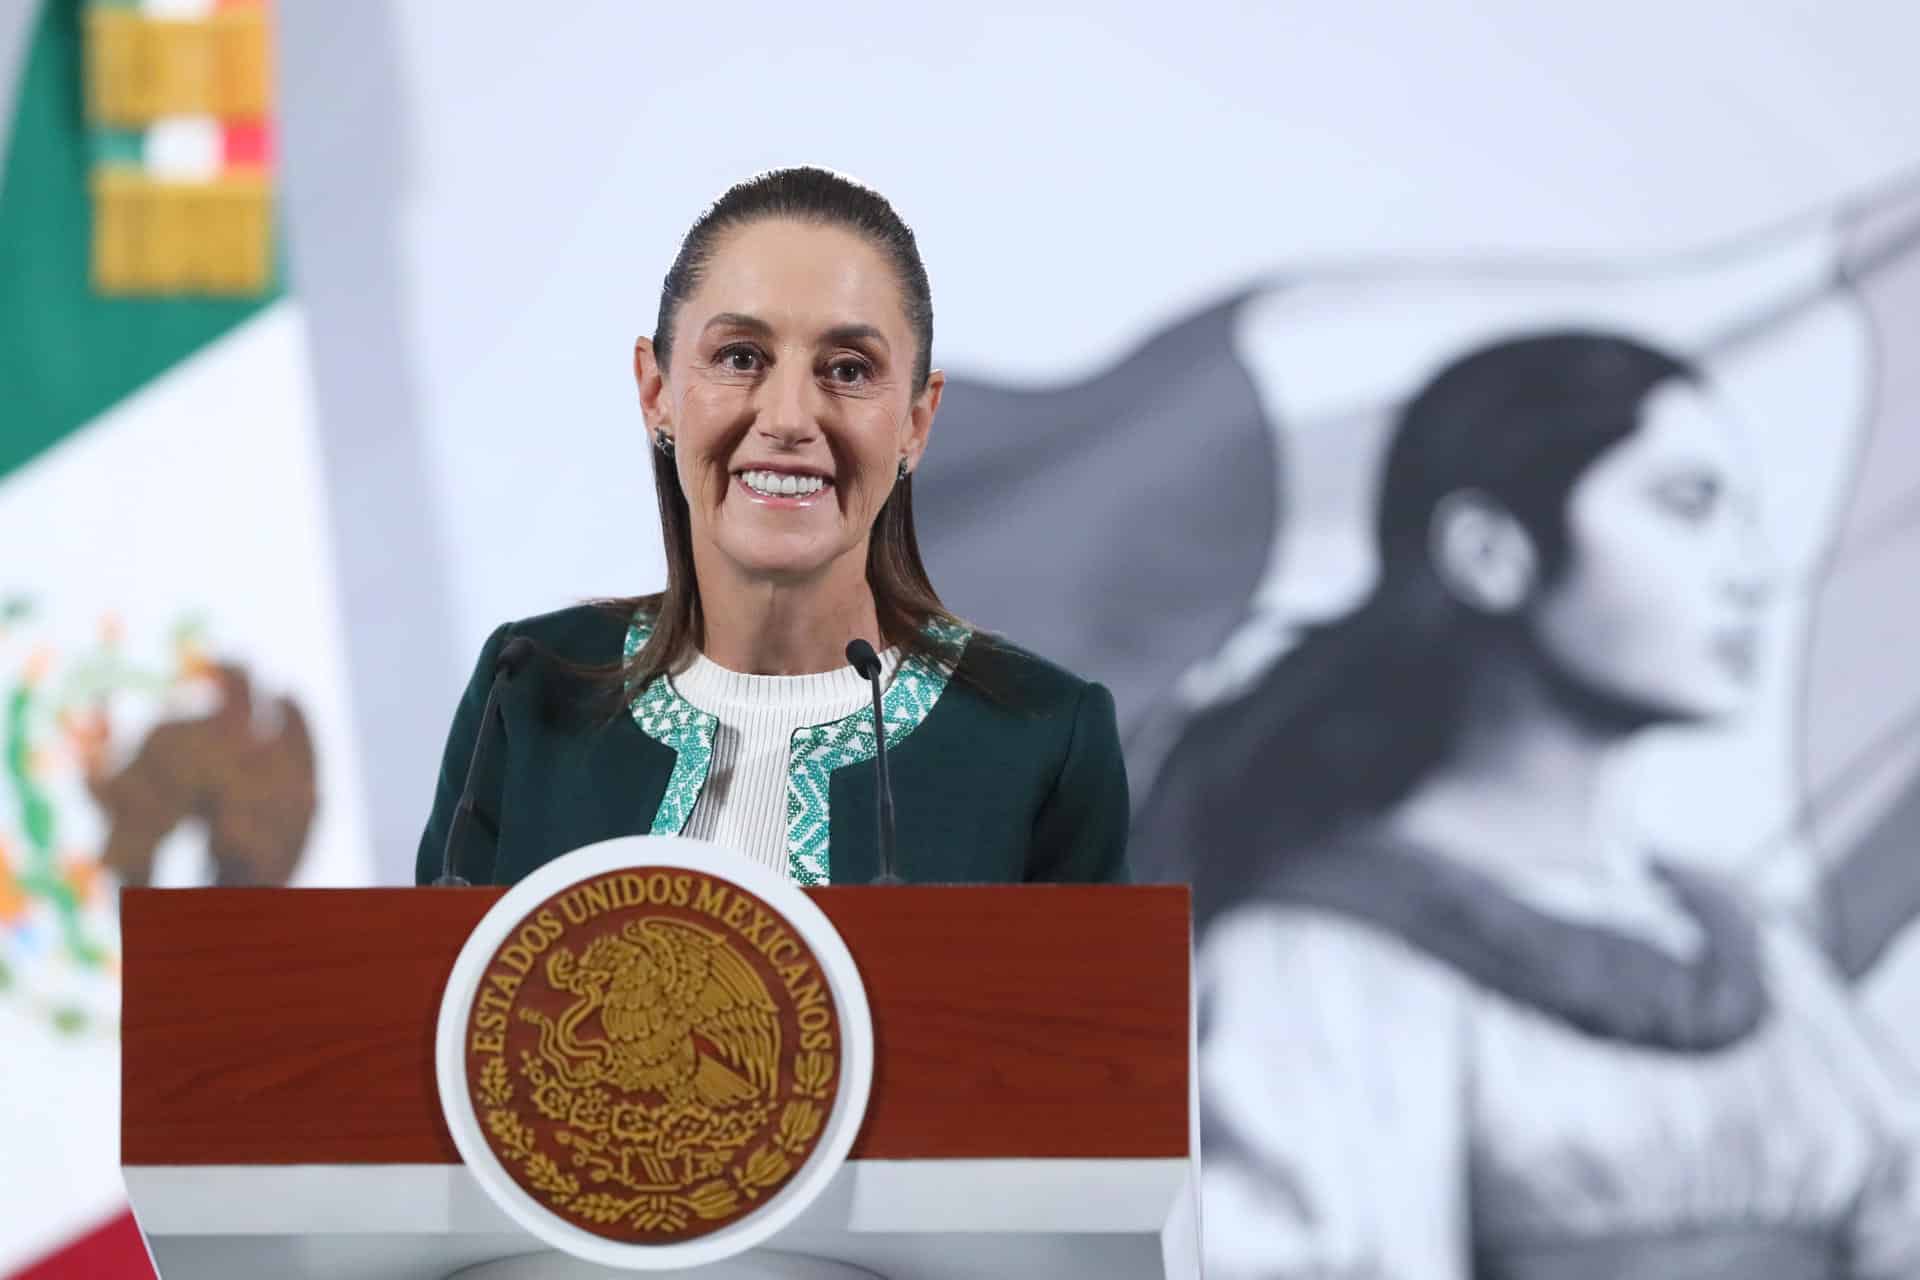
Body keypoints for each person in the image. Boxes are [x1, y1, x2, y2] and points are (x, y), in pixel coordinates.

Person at [1133, 333, 1920, 1278]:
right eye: (1688, 505)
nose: (1750, 573)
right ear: (1490, 552)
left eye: (1745, 517)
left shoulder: (1757, 952)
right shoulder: (1322, 960)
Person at [415, 167, 1129, 889]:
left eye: (848, 370)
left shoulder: (1044, 739)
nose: (789, 418)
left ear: (917, 422)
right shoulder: (525, 689)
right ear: (656, 391)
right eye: (740, 358)